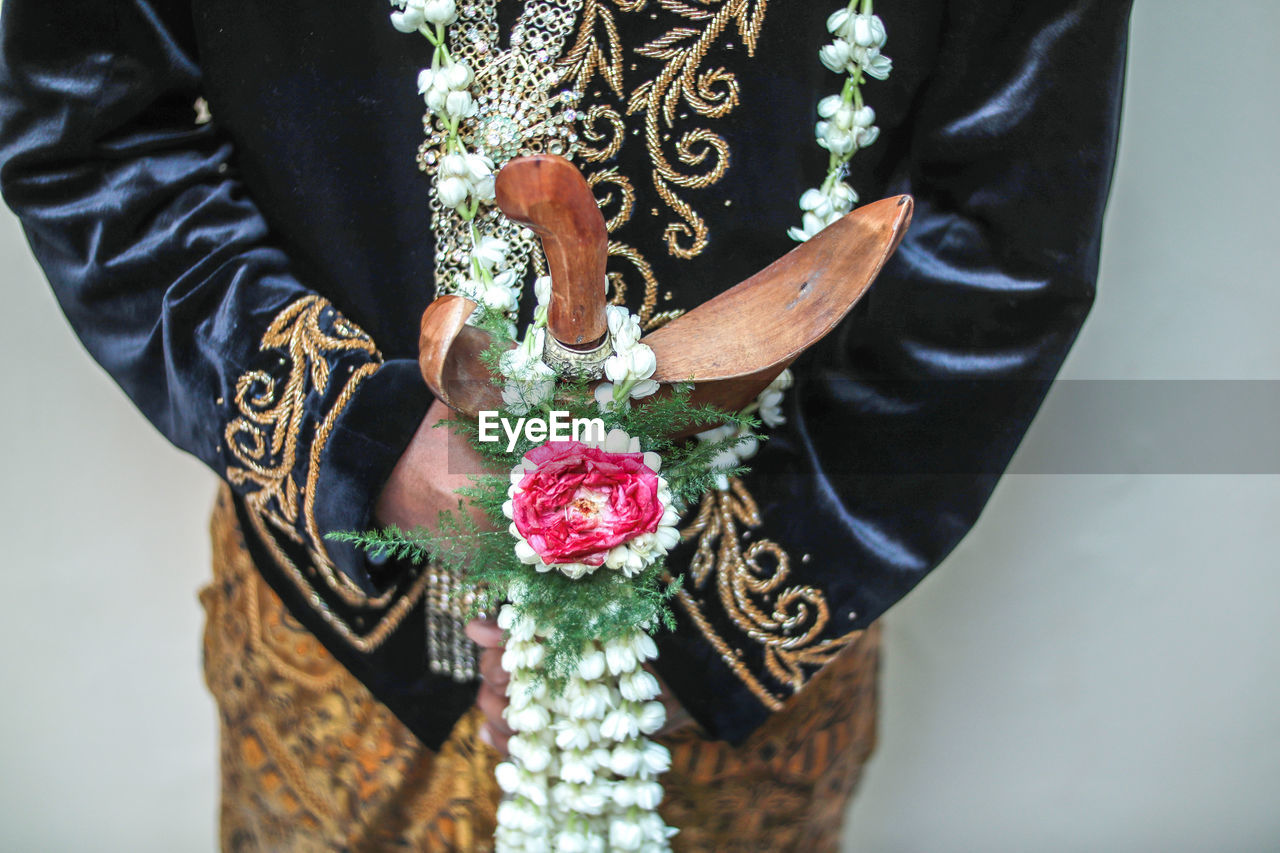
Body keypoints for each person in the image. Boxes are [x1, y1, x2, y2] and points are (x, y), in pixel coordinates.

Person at [0, 0, 1133, 849]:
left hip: (751, 653)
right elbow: (88, 132)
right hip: (331, 638)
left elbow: (1000, 232)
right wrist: (360, 436)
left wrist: (715, 629)